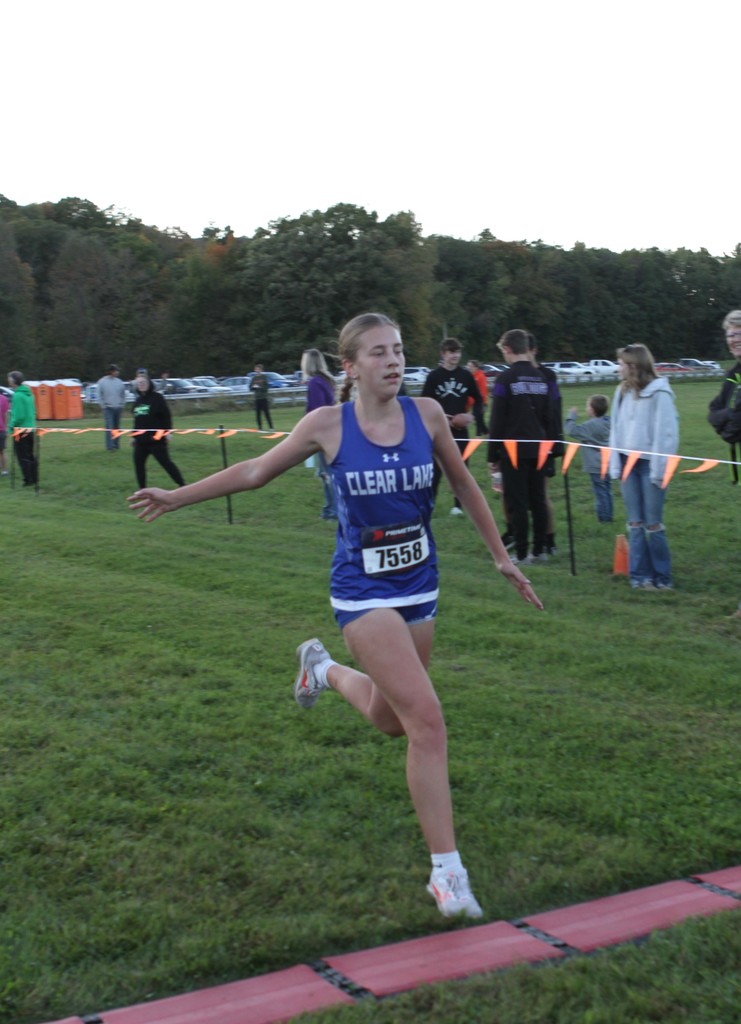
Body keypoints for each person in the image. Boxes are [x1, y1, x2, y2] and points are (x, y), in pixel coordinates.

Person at [129, 311, 543, 920]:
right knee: (428, 720)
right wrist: (176, 495)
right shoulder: (327, 424)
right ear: (349, 366)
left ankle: (319, 669)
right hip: (361, 593)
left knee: (390, 720)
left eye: (399, 350)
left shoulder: (427, 415)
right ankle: (448, 876)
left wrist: (502, 556)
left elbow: (464, 485)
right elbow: (253, 471)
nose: (394, 361)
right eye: (378, 353)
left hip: (419, 586)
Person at [488, 330, 562, 565]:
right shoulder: (542, 378)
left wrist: (493, 453)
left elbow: (497, 419)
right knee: (538, 499)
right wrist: (552, 446)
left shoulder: (505, 379)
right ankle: (539, 550)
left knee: (517, 501)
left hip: (513, 449)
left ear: (508, 349)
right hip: (540, 447)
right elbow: (550, 414)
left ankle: (521, 553)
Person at [608, 344, 678, 590]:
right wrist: (616, 465)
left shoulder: (660, 393)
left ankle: (662, 577)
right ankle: (639, 576)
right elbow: (615, 431)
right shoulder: (622, 391)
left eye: (621, 363)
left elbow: (666, 436)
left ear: (634, 366)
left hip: (651, 465)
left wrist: (660, 472)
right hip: (628, 464)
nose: (618, 368)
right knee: (634, 522)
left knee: (653, 523)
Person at [422, 338, 483, 515]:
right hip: (438, 431)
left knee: (461, 469)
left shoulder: (466, 375)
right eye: (451, 352)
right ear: (443, 354)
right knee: (435, 471)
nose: (455, 355)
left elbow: (478, 399)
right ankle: (428, 506)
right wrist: (443, 420)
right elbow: (425, 403)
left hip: (461, 431)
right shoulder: (434, 377)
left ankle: (458, 506)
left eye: (457, 352)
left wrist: (471, 416)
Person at [131, 369, 185, 489]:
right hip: (141, 441)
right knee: (138, 464)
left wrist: (168, 432)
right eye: (139, 383)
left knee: (166, 463)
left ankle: (182, 485)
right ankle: (142, 489)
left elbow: (166, 416)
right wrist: (134, 437)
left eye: (143, 383)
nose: (141, 385)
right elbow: (137, 421)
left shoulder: (157, 398)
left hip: (156, 440)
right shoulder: (137, 401)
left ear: (149, 383)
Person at [301, 348, 337, 519]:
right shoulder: (325, 380)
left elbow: (317, 410)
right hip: (331, 430)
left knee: (326, 475)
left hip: (322, 433)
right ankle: (330, 509)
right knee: (327, 474)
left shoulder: (315, 382)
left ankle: (332, 511)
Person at [565, 395, 613, 522]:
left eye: (588, 406)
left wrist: (572, 415)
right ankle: (609, 516)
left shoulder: (591, 425)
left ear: (592, 409)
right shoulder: (609, 422)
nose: (586, 408)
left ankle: (604, 519)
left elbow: (571, 431)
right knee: (607, 491)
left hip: (596, 466)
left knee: (600, 493)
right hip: (609, 464)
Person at [708, 310, 741, 471]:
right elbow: (713, 411)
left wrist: (728, 432)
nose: (735, 340)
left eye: (739, 333)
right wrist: (729, 414)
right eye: (731, 335)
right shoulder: (733, 374)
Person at [7, 371, 37, 486]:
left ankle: (27, 479)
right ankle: (33, 477)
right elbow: (33, 411)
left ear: (14, 381)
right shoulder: (29, 394)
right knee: (30, 455)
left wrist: (11, 426)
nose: (8, 381)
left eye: (10, 379)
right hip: (30, 429)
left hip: (20, 430)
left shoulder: (17, 395)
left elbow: (18, 415)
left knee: (22, 456)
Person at [97, 363, 127, 451]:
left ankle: (116, 445)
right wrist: (103, 406)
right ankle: (109, 447)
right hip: (108, 408)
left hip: (118, 408)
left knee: (117, 428)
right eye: (116, 371)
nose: (117, 372)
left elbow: (123, 394)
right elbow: (99, 395)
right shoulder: (102, 381)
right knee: (109, 428)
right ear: (111, 371)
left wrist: (122, 405)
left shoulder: (119, 382)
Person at [466, 359, 489, 436]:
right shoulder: (472, 376)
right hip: (475, 402)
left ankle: (478, 435)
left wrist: (483, 402)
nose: (469, 368)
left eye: (470, 366)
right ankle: (486, 432)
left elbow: (483, 390)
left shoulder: (480, 376)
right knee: (480, 419)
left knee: (477, 418)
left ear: (476, 367)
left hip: (481, 402)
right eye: (468, 366)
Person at [250, 364, 274, 431]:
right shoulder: (254, 378)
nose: (257, 370)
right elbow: (250, 388)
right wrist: (253, 387)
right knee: (258, 414)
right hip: (257, 398)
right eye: (256, 369)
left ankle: (271, 427)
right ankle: (260, 427)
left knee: (266, 413)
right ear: (255, 370)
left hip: (263, 397)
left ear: (261, 370)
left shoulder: (264, 377)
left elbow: (267, 387)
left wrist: (260, 387)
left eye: (259, 369)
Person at [0, 386, 9, 476]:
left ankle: (5, 470)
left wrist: (5, 429)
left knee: (2, 451)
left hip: (1, 430)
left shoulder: (3, 399)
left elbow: (5, 415)